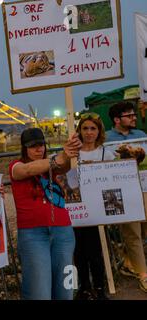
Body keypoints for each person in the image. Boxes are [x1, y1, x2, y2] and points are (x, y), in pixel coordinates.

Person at [9, 127, 82, 300]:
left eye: (41, 144)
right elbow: (26, 171)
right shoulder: (16, 166)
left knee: (65, 290)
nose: (38, 149)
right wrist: (61, 157)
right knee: (39, 292)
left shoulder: (55, 166)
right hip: (33, 234)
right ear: (24, 148)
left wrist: (72, 148)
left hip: (63, 232)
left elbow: (65, 164)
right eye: (33, 146)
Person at [72, 113, 115, 300]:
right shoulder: (73, 154)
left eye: (93, 128)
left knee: (97, 250)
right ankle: (84, 287)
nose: (89, 132)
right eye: (85, 128)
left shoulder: (107, 153)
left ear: (99, 131)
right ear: (79, 131)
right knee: (79, 251)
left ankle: (99, 287)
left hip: (99, 209)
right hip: (78, 209)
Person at [105, 102, 147, 293]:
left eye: (134, 115)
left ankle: (129, 261)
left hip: (144, 188)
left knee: (143, 229)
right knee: (132, 233)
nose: (134, 118)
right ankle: (143, 275)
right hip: (120, 191)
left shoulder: (141, 136)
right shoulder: (106, 139)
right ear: (117, 119)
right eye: (129, 115)